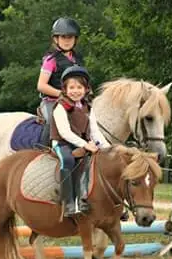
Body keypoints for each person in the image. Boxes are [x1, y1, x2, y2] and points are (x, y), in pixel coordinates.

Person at [50, 65, 110, 217]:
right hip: (62, 143)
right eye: (71, 87)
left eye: (79, 87)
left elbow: (95, 131)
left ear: (86, 89)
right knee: (68, 160)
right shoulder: (60, 107)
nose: (75, 91)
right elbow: (64, 133)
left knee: (95, 163)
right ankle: (68, 202)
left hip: (84, 143)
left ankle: (88, 199)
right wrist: (85, 145)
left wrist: (108, 149)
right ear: (65, 89)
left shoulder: (88, 107)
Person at [37, 17, 84, 147]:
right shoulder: (50, 59)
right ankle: (43, 148)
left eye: (70, 37)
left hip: (75, 100)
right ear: (56, 39)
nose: (67, 41)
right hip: (53, 101)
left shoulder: (78, 59)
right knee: (52, 120)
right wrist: (62, 95)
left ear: (75, 39)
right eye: (63, 37)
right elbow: (41, 85)